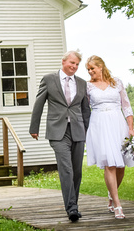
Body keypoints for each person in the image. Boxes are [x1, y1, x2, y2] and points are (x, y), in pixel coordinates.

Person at [29, 50, 91, 222]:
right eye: (72, 63)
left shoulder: (81, 83)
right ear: (63, 62)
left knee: (77, 172)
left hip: (78, 130)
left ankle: (73, 204)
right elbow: (39, 104)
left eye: (77, 64)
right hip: (58, 132)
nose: (74, 66)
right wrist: (34, 127)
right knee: (66, 169)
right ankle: (72, 208)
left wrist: (88, 130)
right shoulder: (49, 79)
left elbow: (85, 109)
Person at [85, 55, 134, 220]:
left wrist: (131, 128)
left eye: (92, 68)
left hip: (118, 124)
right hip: (99, 125)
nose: (90, 72)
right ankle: (117, 204)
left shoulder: (117, 82)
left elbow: (126, 106)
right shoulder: (87, 87)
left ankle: (111, 194)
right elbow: (85, 109)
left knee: (121, 165)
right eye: (88, 69)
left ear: (101, 67)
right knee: (110, 163)